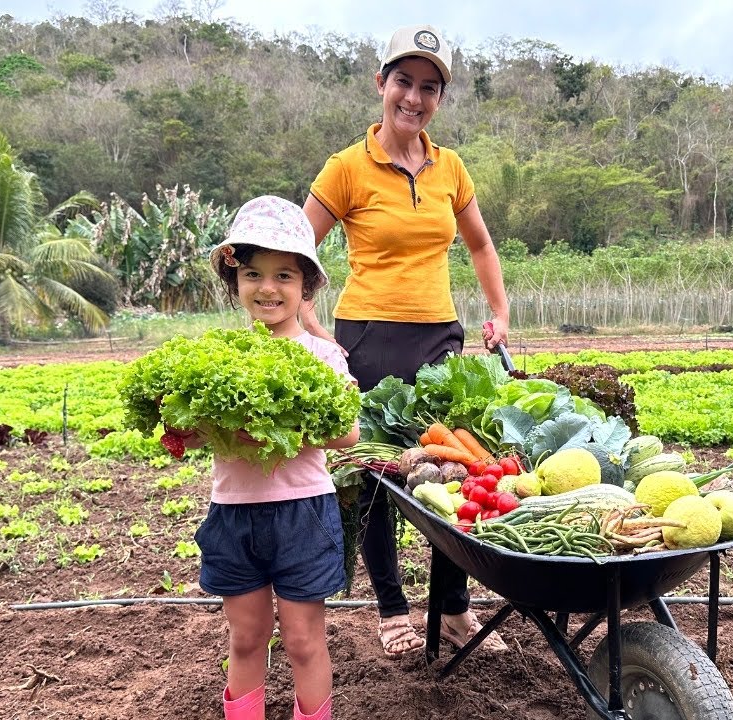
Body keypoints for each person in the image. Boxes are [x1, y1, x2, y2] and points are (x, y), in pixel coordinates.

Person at [300, 24, 511, 659]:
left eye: (429, 87)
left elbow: (478, 244)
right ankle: (391, 607)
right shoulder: (347, 167)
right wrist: (311, 325)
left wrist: (499, 309)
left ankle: (452, 607)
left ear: (439, 98)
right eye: (403, 82)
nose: (413, 98)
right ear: (381, 84)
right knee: (377, 477)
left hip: (439, 338)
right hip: (367, 336)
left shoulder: (451, 167)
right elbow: (294, 249)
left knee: (455, 470)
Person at [191, 195, 360, 720]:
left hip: (303, 512)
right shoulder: (219, 359)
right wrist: (202, 429)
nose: (268, 288)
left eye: (284, 276)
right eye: (254, 274)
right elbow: (191, 436)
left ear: (305, 286)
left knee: (305, 641)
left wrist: (278, 431)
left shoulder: (324, 355)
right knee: (245, 639)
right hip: (234, 512)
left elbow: (347, 435)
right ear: (235, 282)